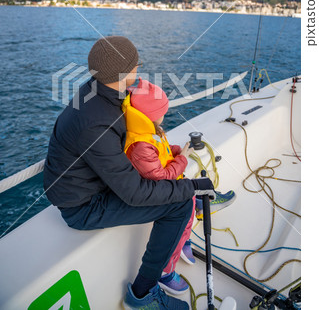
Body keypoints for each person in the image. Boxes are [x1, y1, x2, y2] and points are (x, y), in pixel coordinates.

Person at [44, 36, 217, 310]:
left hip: (91, 183)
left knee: (178, 192)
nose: (139, 70)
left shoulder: (95, 91)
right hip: (83, 206)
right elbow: (135, 194)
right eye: (136, 65)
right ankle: (143, 294)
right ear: (127, 72)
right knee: (180, 204)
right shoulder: (97, 122)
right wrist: (192, 187)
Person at [123, 78, 236, 296]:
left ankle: (185, 238)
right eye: (163, 111)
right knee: (184, 206)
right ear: (152, 115)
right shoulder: (140, 145)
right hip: (156, 192)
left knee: (190, 201)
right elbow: (161, 177)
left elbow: (160, 152)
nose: (165, 115)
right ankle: (165, 272)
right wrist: (182, 159)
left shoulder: (147, 132)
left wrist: (175, 151)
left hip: (165, 182)